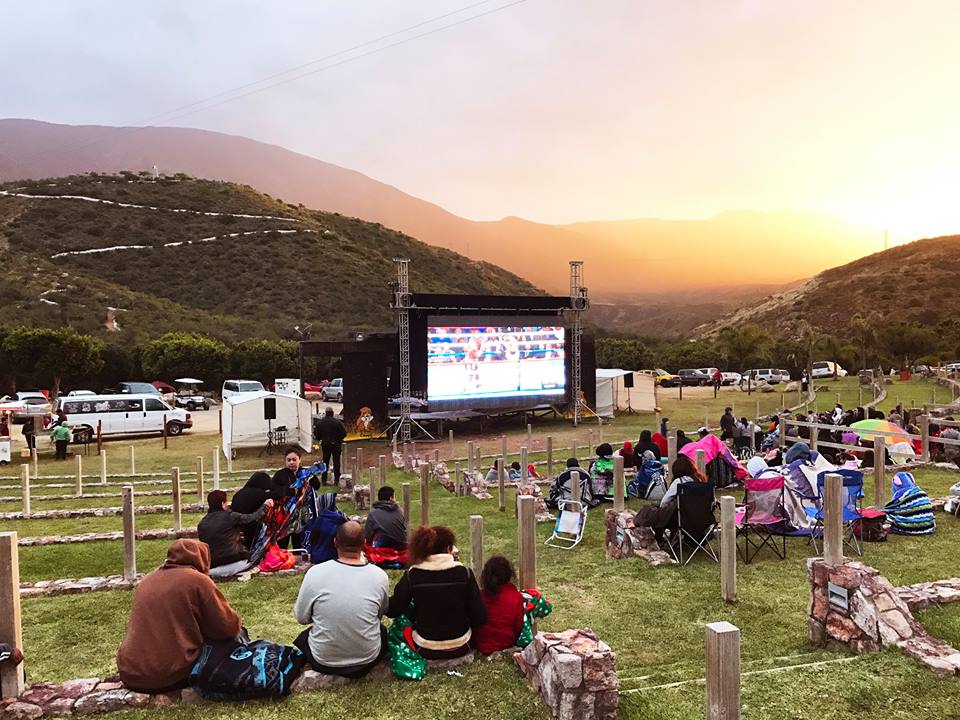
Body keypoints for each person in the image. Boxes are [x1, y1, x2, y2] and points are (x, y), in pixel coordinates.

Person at [117, 539, 242, 693]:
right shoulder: (198, 580)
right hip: (168, 675)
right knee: (238, 637)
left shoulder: (147, 580)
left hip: (130, 672)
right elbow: (228, 628)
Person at [293, 521, 389, 678]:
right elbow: (380, 614)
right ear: (364, 544)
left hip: (323, 660)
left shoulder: (315, 573)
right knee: (382, 631)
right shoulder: (379, 575)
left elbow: (302, 618)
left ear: (335, 542)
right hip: (368, 658)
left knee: (305, 636)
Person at [386, 525, 487, 659]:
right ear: (449, 549)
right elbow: (479, 617)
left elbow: (393, 609)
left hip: (425, 647)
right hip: (462, 645)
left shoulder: (413, 575)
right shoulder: (465, 573)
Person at [198, 490, 274, 577]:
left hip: (213, 566)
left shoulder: (202, 524)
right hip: (237, 562)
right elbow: (253, 518)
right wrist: (266, 505)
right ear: (223, 503)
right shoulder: (230, 516)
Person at [472, 556, 524, 655]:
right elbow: (518, 626)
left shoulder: (480, 596)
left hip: (480, 644)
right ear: (509, 575)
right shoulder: (516, 597)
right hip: (506, 643)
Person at [231, 472, 284, 548]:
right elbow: (277, 495)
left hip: (235, 528)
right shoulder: (258, 493)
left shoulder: (239, 493)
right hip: (249, 526)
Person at [315, 407, 346, 485]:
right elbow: (344, 433)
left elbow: (316, 434)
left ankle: (324, 480)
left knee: (325, 462)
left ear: (325, 413)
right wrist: (338, 439)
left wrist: (321, 438)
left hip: (325, 445)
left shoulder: (320, 422)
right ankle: (336, 480)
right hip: (336, 444)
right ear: (332, 413)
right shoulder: (337, 422)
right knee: (336, 462)